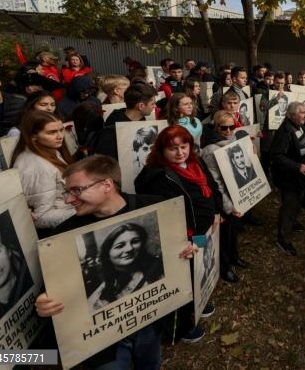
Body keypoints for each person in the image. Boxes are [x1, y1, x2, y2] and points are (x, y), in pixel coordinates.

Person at [36, 155, 199, 368]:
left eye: (76, 190)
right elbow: (51, 289)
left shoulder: (159, 206)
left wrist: (190, 248)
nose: (68, 200)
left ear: (107, 185)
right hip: (102, 344)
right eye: (67, 192)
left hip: (151, 323)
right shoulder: (63, 235)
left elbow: (192, 241)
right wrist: (43, 304)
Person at [134, 126, 223, 342]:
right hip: (182, 240)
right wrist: (178, 240)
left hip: (204, 232)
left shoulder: (196, 162)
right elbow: (158, 217)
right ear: (162, 150)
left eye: (184, 147)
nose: (180, 153)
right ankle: (182, 328)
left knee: (198, 272)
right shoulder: (157, 176)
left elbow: (211, 186)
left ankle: (197, 302)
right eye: (173, 149)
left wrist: (217, 211)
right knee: (181, 280)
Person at [199, 111, 249, 282]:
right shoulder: (209, 150)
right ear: (216, 127)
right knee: (225, 236)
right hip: (222, 201)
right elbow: (216, 183)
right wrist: (228, 206)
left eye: (232, 127)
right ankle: (224, 267)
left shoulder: (233, 139)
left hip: (236, 195)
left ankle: (235, 257)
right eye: (224, 128)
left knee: (234, 231)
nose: (228, 131)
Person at [10, 111, 75, 236]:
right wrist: (82, 211)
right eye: (51, 132)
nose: (60, 136)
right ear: (33, 136)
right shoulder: (37, 167)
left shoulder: (48, 150)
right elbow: (40, 217)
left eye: (61, 130)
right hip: (55, 232)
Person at [87, 222, 164, 311]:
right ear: (107, 254)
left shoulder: (159, 267)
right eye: (120, 246)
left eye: (135, 241)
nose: (129, 249)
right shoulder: (98, 297)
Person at [271, 101, 305, 256]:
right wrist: (297, 166)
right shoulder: (285, 132)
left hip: (298, 176)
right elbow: (277, 156)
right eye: (302, 112)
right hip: (288, 177)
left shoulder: (299, 125)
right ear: (292, 115)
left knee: (297, 201)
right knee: (289, 205)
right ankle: (283, 240)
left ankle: (292, 222)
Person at [91, 83, 157, 159]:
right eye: (152, 104)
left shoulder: (141, 120)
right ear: (141, 106)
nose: (155, 106)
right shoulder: (110, 133)